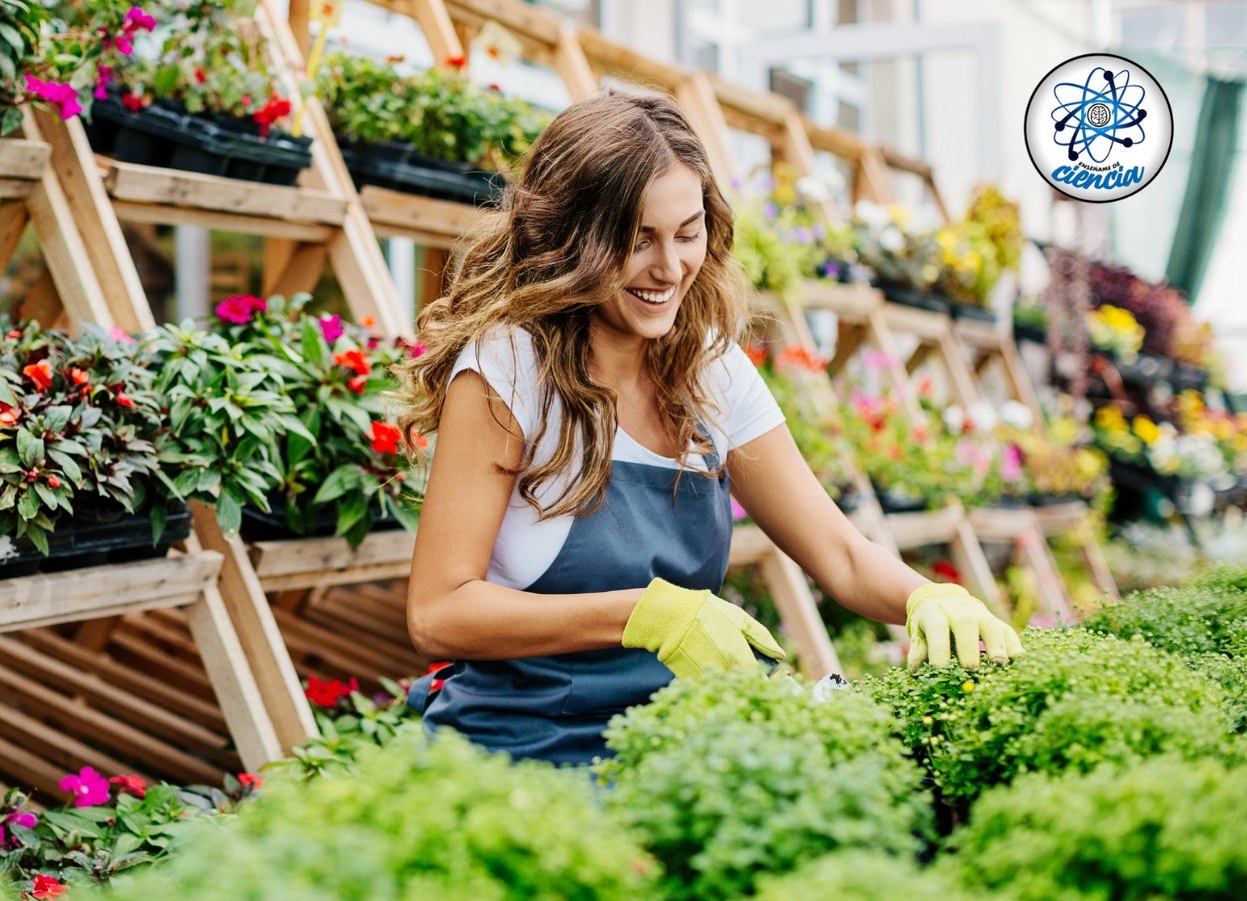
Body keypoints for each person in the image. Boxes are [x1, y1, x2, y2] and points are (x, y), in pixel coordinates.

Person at [394, 89, 1022, 767]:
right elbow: (438, 611)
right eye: (637, 241)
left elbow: (839, 554)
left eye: (686, 232)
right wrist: (646, 613)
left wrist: (927, 595)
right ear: (572, 238)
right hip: (523, 755)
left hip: (669, 747)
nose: (669, 269)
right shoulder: (510, 369)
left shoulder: (709, 369)